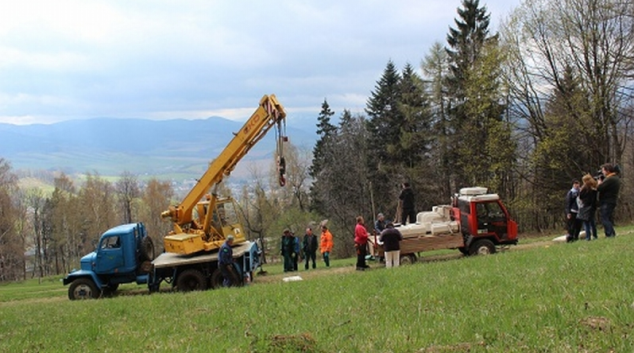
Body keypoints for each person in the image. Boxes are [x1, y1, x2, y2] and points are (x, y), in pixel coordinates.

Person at [597, 163, 621, 238]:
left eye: (603, 170)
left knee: (605, 218)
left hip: (607, 201)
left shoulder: (610, 179)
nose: (602, 172)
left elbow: (599, 188)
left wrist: (599, 183)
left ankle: (609, 234)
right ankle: (611, 233)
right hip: (611, 200)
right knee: (608, 218)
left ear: (607, 171)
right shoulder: (615, 178)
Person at [577, 174, 598, 241]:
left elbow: (580, 196)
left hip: (585, 206)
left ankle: (588, 237)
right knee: (592, 222)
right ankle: (595, 235)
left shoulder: (584, 188)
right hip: (593, 206)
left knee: (586, 222)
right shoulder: (594, 186)